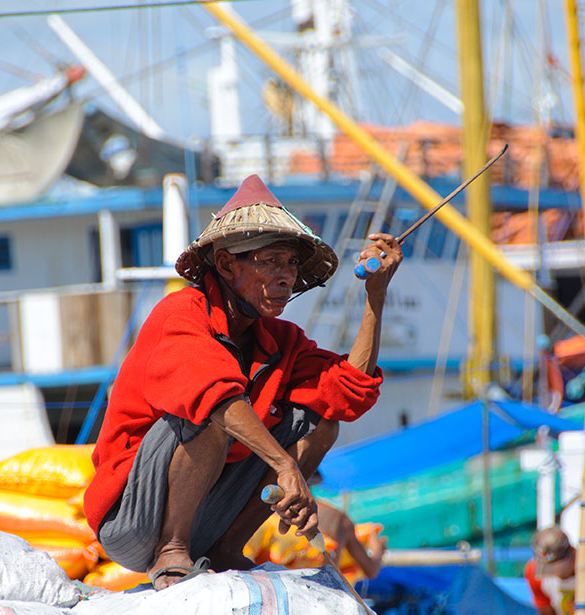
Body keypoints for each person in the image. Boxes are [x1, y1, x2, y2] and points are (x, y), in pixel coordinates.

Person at [82, 174, 402, 590]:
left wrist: (375, 296)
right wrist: (285, 466)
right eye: (270, 261)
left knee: (319, 421)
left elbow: (347, 394)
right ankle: (171, 550)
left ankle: (228, 547)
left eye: (290, 264)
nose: (286, 276)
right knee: (214, 411)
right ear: (227, 264)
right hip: (133, 516)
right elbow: (216, 398)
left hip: (210, 513)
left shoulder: (281, 340)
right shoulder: (181, 314)